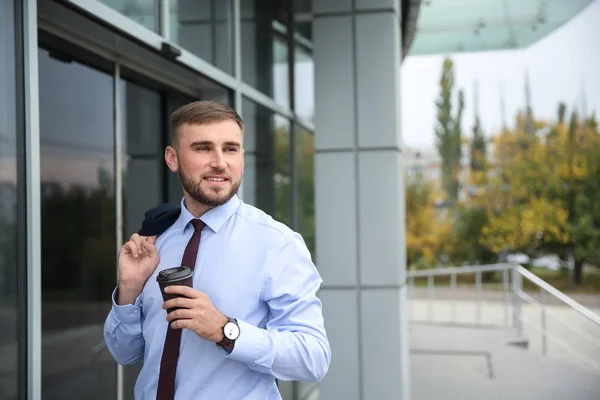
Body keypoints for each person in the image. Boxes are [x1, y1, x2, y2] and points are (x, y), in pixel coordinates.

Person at [103, 101, 331, 400]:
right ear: (172, 159)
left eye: (231, 148)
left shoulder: (277, 244)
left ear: (242, 159)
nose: (220, 162)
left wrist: (226, 331)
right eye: (203, 148)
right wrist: (129, 291)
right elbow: (124, 353)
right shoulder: (154, 243)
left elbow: (313, 358)